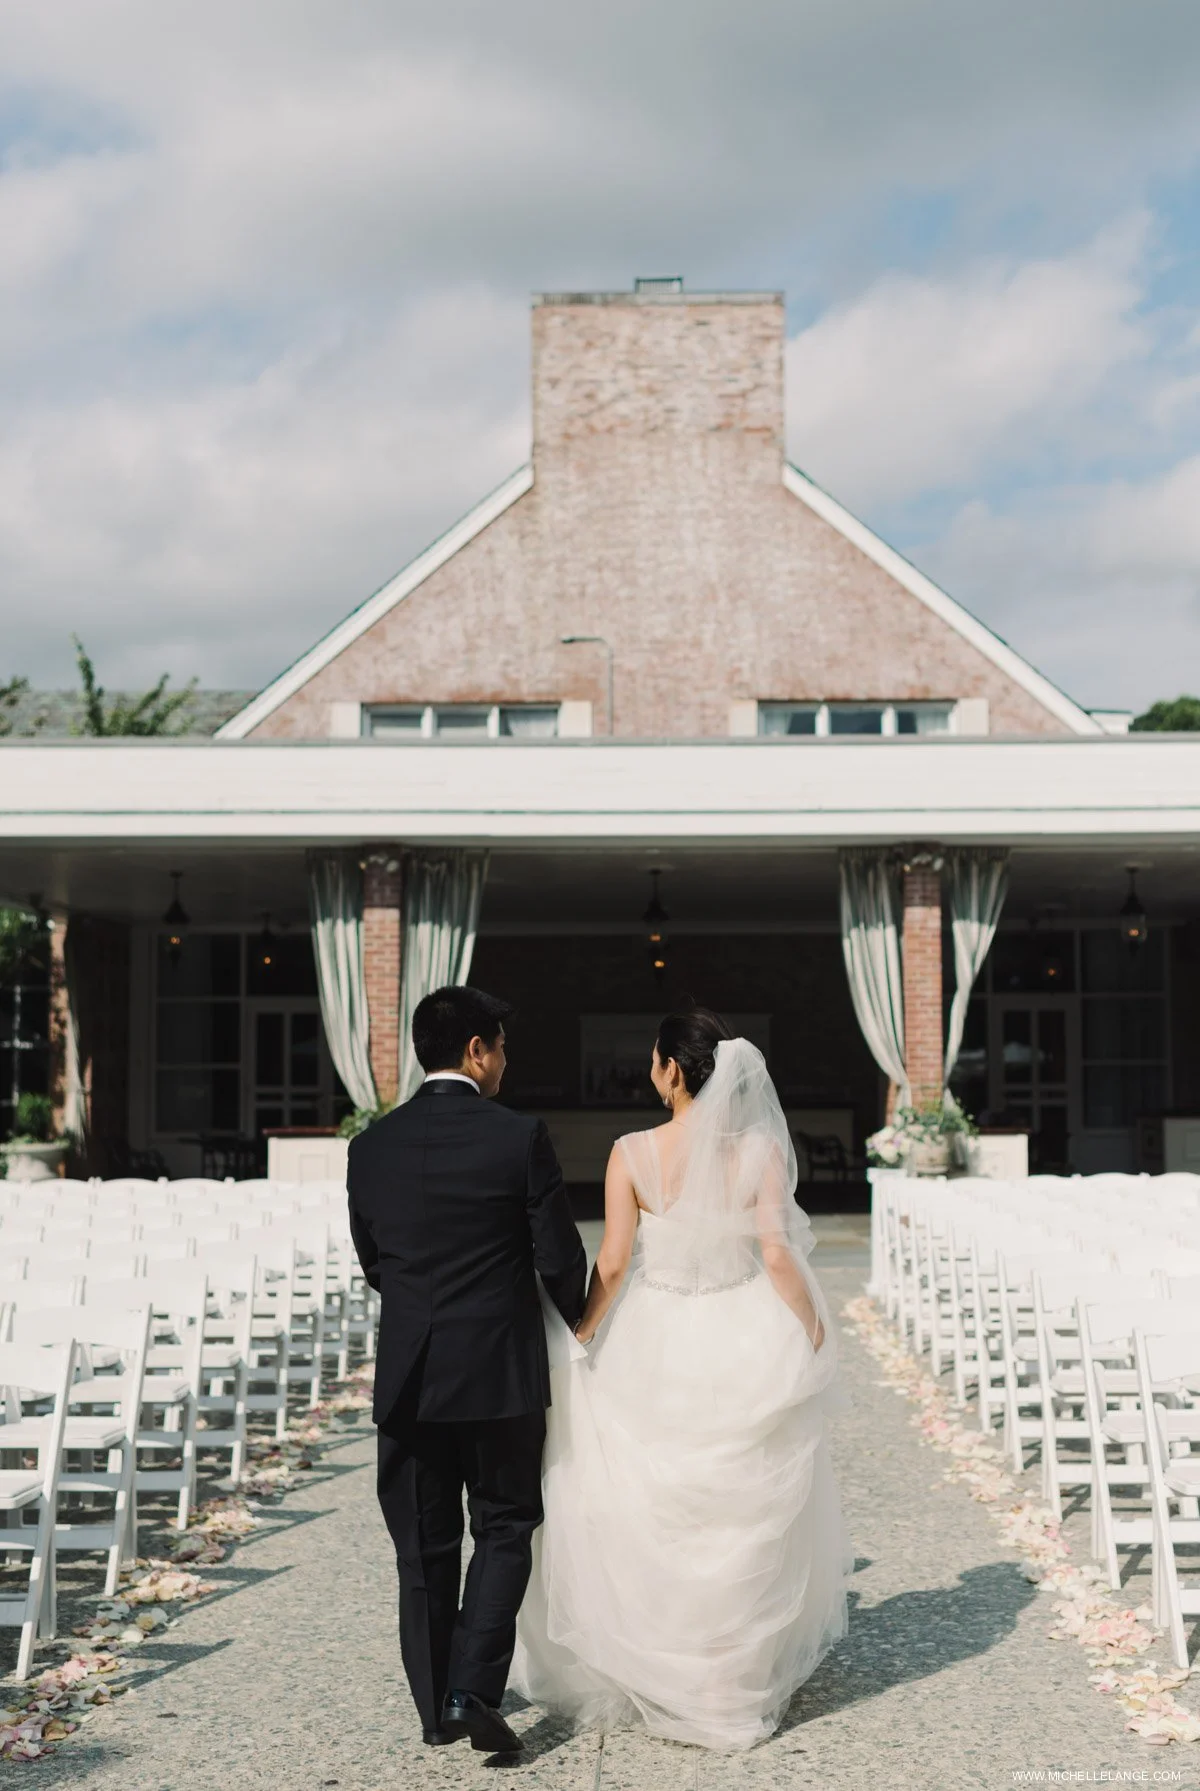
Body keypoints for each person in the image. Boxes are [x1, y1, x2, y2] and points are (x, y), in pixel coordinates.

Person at [511, 1006, 851, 1751]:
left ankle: (667, 1662)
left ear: (670, 1069)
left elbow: (611, 1261)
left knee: (655, 1500)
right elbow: (778, 1254)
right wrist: (812, 1328)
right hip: (743, 1329)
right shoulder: (760, 1150)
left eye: (654, 1060)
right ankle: (728, 1677)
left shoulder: (631, 1151)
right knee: (740, 1506)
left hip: (655, 1335)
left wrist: (583, 1329)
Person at [347, 985, 587, 1757]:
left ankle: (434, 1711)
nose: (505, 1062)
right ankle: (473, 1688)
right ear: (477, 1050)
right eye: (502, 1047)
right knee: (505, 1525)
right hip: (498, 1371)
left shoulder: (370, 1146)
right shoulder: (518, 1136)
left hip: (410, 1373)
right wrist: (581, 1320)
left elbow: (375, 1261)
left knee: (422, 1546)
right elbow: (559, 1256)